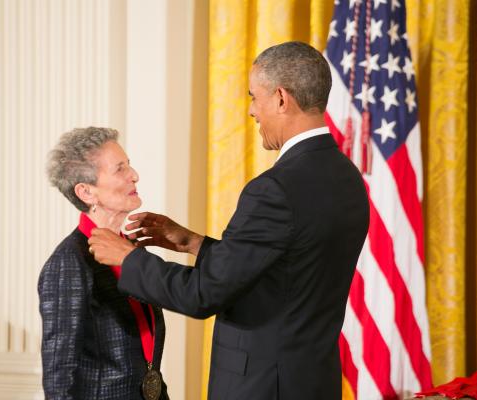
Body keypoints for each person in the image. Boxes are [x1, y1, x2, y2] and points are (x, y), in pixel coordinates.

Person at [88, 42, 369, 399]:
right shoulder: (347, 176)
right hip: (313, 382)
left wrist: (128, 259)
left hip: (263, 387)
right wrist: (193, 243)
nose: (252, 111)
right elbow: (286, 272)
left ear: (281, 99)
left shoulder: (273, 190)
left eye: (255, 97)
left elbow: (203, 294)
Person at [38, 127, 169, 400]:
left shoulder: (131, 249)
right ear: (86, 192)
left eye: (129, 165)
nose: (134, 176)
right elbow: (58, 376)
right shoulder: (68, 262)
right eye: (120, 169)